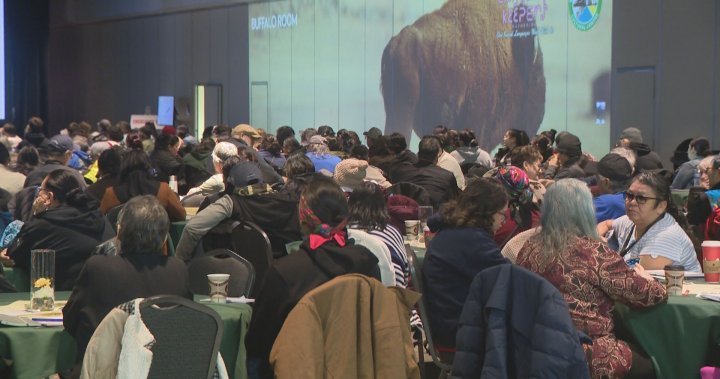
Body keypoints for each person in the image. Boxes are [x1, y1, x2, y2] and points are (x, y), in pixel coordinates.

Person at [517, 179, 667, 378]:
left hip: (533, 347)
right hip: (583, 351)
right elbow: (648, 296)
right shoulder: (593, 252)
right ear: (586, 210)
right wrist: (649, 280)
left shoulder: (529, 247)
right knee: (656, 362)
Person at [245, 175, 380, 378]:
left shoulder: (284, 273)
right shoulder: (368, 263)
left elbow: (257, 341)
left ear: (303, 216)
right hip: (357, 367)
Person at [63, 195, 191, 365]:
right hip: (162, 368)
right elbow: (187, 323)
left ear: (119, 232)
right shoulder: (178, 269)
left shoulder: (97, 267)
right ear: (165, 238)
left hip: (106, 370)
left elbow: (70, 321)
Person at [422, 178, 510, 350]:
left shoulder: (452, 230)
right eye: (502, 214)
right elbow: (510, 279)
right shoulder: (473, 240)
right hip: (459, 332)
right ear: (487, 212)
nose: (504, 221)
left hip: (446, 323)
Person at [175, 154, 311, 260]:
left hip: (242, 270)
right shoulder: (290, 201)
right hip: (284, 270)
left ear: (230, 182)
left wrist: (181, 262)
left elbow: (192, 228)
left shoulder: (231, 202)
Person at [4, 169, 114, 290]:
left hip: (60, 298)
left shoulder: (43, 224)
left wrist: (36, 215)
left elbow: (14, 254)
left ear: (49, 197)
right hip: (103, 291)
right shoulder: (99, 217)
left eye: (40, 191)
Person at [597, 171, 702, 272]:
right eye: (629, 195)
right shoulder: (631, 221)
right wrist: (596, 238)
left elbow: (636, 282)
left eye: (641, 198)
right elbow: (606, 224)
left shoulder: (664, 237)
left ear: (661, 206)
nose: (632, 202)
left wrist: (602, 254)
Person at [347, 182, 408, 287]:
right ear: (383, 206)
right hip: (392, 295)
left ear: (350, 204)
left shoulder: (343, 233)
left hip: (353, 293)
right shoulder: (393, 232)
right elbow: (405, 273)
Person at [100, 150, 186, 221]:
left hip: (121, 241)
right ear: (149, 167)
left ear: (122, 168)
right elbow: (181, 215)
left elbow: (102, 219)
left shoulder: (110, 193)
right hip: (157, 240)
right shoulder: (163, 189)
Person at [388, 136, 460, 209]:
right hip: (434, 217)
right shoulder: (447, 176)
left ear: (418, 154)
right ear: (437, 156)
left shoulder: (400, 171)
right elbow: (454, 202)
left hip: (404, 216)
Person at [593, 150, 635, 223]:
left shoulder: (604, 203)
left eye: (597, 179)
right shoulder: (634, 199)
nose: (597, 184)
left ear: (606, 182)